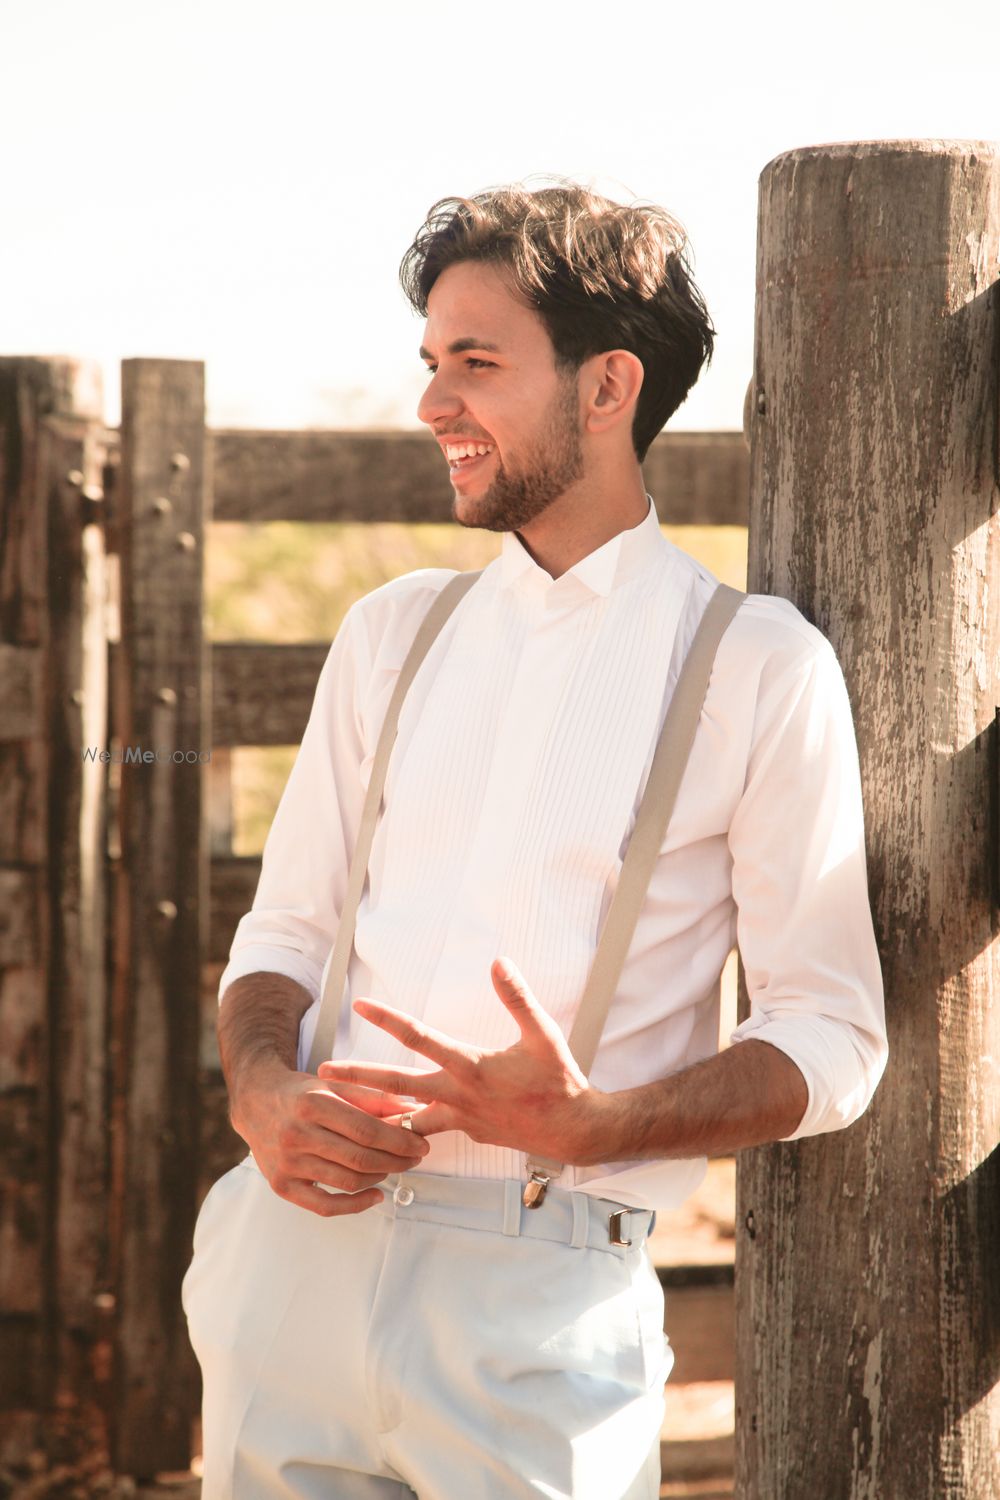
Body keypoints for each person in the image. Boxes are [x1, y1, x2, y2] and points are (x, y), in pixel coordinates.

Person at [182, 182, 887, 1500]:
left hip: (538, 1291)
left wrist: (595, 1120)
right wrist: (260, 1089)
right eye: (431, 362)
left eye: (477, 363)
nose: (432, 402)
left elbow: (835, 1037)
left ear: (608, 385)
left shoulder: (751, 664)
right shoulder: (397, 632)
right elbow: (279, 936)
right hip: (290, 1269)